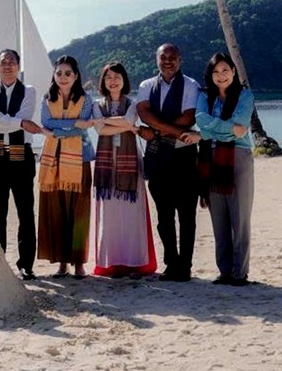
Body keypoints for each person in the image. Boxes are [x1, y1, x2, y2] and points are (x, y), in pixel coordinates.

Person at [186, 52, 256, 286]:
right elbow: (201, 120)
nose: (221, 75)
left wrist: (206, 132)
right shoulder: (205, 96)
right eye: (216, 71)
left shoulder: (244, 96)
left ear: (233, 71)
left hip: (239, 156)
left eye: (225, 70)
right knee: (219, 218)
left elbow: (240, 129)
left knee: (240, 217)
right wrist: (222, 129)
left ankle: (239, 273)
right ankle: (224, 270)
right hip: (210, 158)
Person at [135, 43, 201, 282]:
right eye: (164, 57)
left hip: (184, 156)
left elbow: (188, 118)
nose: (168, 61)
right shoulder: (146, 85)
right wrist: (169, 130)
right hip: (156, 157)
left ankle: (185, 266)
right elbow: (143, 113)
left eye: (173, 57)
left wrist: (156, 131)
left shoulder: (191, 85)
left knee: (186, 215)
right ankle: (171, 263)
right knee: (164, 216)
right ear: (157, 60)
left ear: (180, 60)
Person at [28, 55, 95, 279]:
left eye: (68, 73)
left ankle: (79, 263)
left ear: (75, 76)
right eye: (59, 73)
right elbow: (46, 123)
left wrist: (59, 129)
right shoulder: (47, 98)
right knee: (57, 211)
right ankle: (62, 262)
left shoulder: (86, 99)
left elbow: (80, 129)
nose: (63, 77)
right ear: (54, 75)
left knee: (79, 212)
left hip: (80, 160)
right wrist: (74, 122)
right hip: (53, 160)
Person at [91, 61, 157, 278]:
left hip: (129, 162)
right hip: (106, 162)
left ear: (124, 80)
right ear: (103, 81)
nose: (113, 81)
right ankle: (112, 263)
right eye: (108, 77)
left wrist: (109, 121)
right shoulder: (96, 104)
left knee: (132, 213)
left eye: (117, 77)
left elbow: (126, 120)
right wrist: (126, 126)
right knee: (109, 213)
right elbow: (101, 131)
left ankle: (134, 263)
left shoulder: (133, 103)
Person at [0, 49, 39, 280]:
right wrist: (20, 123)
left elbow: (13, 117)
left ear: (18, 66)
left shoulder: (29, 91)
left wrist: (7, 122)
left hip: (21, 154)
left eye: (12, 62)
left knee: (26, 211)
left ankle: (26, 264)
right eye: (3, 62)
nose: (7, 66)